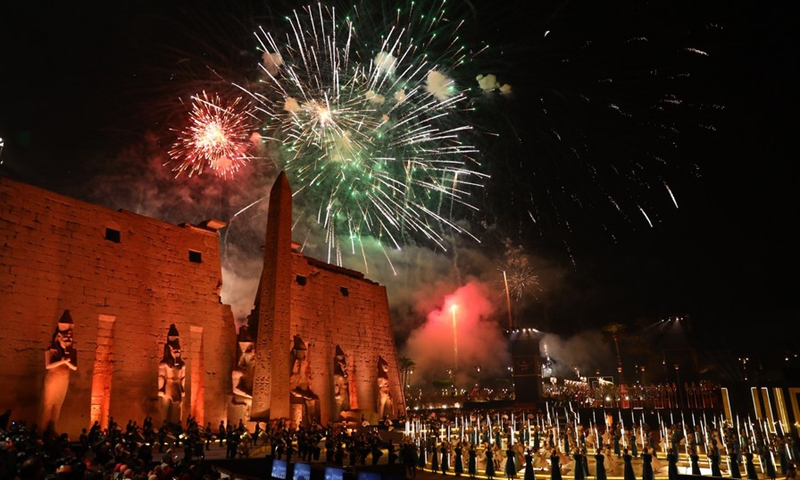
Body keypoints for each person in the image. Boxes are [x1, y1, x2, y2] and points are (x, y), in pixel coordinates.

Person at [41, 310, 78, 431]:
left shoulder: (72, 352)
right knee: (48, 405)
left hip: (64, 380)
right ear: (58, 337)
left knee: (58, 405)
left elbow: (74, 367)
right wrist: (63, 361)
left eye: (70, 338)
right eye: (66, 337)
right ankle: (43, 429)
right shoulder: (51, 351)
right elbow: (48, 366)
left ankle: (53, 427)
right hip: (53, 379)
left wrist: (66, 361)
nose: (69, 340)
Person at [158, 324, 186, 425]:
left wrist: (182, 388)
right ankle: (163, 425)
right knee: (165, 407)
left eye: (178, 350)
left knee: (177, 407)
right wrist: (161, 388)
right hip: (168, 385)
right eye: (175, 351)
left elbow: (182, 377)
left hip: (177, 386)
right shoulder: (164, 363)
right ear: (169, 351)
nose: (177, 352)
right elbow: (161, 376)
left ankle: (176, 425)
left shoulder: (182, 364)